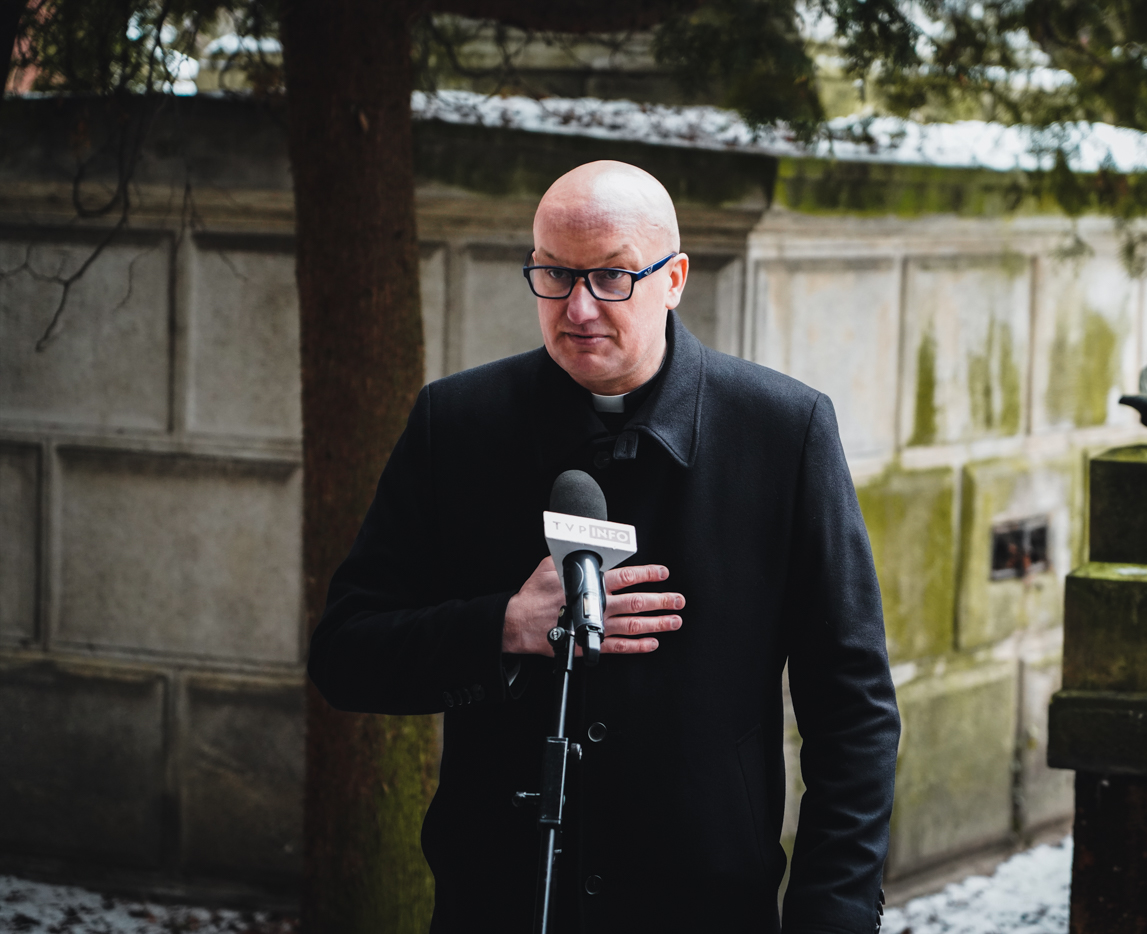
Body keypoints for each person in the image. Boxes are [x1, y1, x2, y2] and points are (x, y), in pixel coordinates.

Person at [308, 160, 900, 934]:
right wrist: (504, 627)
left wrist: (834, 914)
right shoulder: (454, 424)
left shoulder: (784, 432)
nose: (579, 307)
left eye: (613, 276)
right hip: (500, 903)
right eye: (554, 274)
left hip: (705, 909)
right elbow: (345, 654)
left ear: (674, 278)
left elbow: (852, 709)